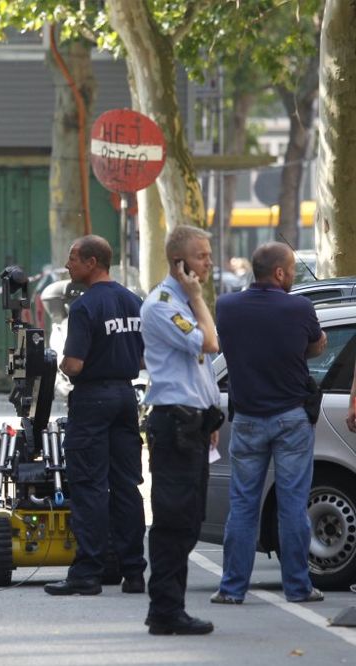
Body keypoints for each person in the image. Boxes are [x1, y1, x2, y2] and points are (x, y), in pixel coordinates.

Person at [212, 241, 327, 604]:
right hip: (292, 418)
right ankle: (298, 587)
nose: (293, 275)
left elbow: (224, 345)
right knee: (293, 506)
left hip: (246, 418)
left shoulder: (226, 306)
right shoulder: (299, 307)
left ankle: (231, 589)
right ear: (279, 272)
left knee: (243, 505)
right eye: (291, 269)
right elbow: (317, 345)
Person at [44, 235, 146, 597]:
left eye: (73, 258)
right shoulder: (134, 301)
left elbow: (74, 364)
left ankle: (87, 572)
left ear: (92, 262)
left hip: (92, 400)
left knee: (88, 486)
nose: (68, 265)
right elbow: (145, 358)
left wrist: (58, 366)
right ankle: (133, 571)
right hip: (125, 397)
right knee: (126, 486)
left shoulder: (85, 307)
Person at [140, 226, 222, 636]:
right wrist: (197, 298)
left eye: (208, 254)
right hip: (174, 423)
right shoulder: (165, 304)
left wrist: (210, 418)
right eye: (201, 255)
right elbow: (210, 344)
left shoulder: (183, 302)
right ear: (179, 262)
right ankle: (165, 610)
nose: (208, 262)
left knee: (190, 520)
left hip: (192, 423)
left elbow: (201, 367)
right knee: (174, 520)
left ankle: (171, 606)